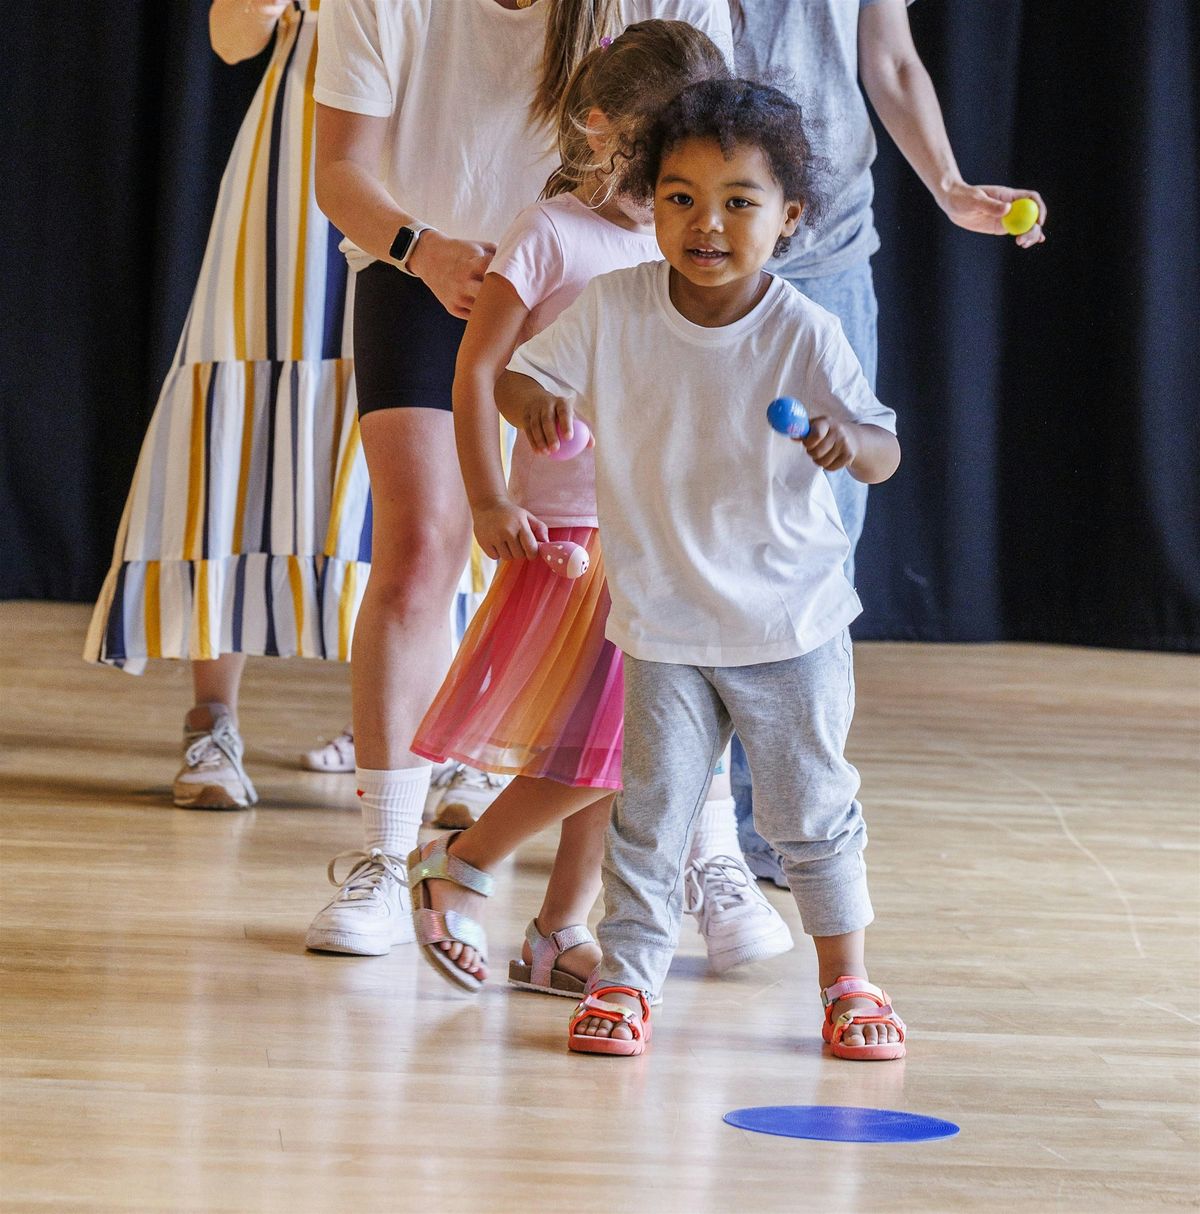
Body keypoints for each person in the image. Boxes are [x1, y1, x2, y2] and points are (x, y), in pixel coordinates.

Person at [304, 0, 734, 956]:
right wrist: (421, 249)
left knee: (646, 601)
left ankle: (693, 858)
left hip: (609, 270)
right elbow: (339, 171)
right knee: (421, 548)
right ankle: (387, 855)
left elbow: (722, 139)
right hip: (430, 266)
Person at [498, 77, 907, 1059]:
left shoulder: (802, 328)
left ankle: (848, 978)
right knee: (649, 814)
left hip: (788, 625)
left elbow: (885, 448)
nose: (707, 223)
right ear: (650, 203)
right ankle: (627, 982)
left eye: (738, 201)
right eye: (680, 197)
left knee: (811, 809)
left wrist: (846, 441)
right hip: (662, 622)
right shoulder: (616, 306)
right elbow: (521, 373)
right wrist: (535, 406)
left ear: (791, 217)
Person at [405, 20, 790, 994]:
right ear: (601, 126)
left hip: (658, 536)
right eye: (664, 149)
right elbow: (480, 369)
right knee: (604, 744)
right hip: (571, 535)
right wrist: (489, 493)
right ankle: (458, 869)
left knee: (621, 753)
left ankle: (555, 931)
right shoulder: (552, 235)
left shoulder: (680, 250)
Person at [729, 0, 1047, 886]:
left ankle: (776, 824)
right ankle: (693, 823)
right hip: (694, 246)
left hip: (828, 255)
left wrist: (949, 185)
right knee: (692, 531)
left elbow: (891, 59)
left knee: (818, 547)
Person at [84, 0, 380, 808]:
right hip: (295, 166)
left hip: (428, 149)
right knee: (242, 415)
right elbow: (229, 36)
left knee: (414, 420)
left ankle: (409, 725)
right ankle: (211, 718)